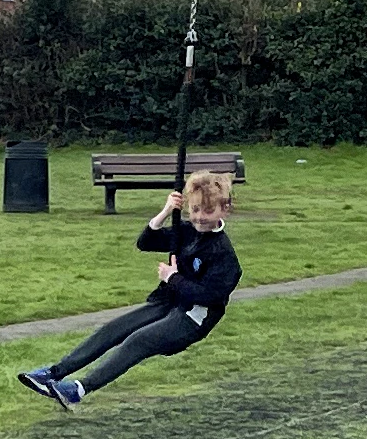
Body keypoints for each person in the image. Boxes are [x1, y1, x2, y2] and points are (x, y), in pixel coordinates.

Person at [19, 171, 241, 408]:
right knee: (114, 329)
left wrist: (173, 277)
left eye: (208, 211)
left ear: (224, 209)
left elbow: (209, 296)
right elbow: (146, 243)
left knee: (138, 340)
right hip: (166, 303)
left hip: (192, 318)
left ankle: (78, 390)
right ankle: (53, 374)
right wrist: (166, 211)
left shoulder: (224, 255)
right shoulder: (188, 231)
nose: (200, 218)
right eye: (195, 210)